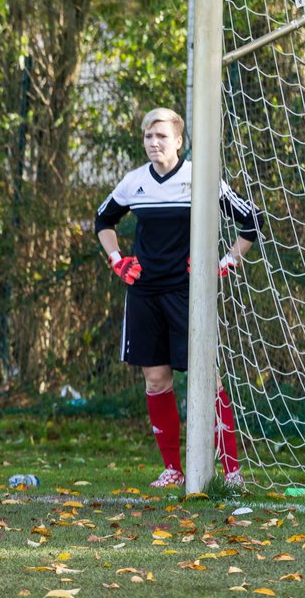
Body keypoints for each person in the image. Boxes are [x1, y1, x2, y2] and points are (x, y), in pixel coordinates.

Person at [94, 107, 260, 489]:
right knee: (156, 380)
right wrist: (118, 260)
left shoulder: (199, 179)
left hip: (188, 293)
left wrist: (228, 262)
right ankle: (172, 469)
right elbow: (103, 221)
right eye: (149, 137)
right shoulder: (134, 182)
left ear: (179, 141)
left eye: (162, 137)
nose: (154, 143)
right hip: (145, 293)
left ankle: (232, 472)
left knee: (208, 378)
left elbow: (250, 221)